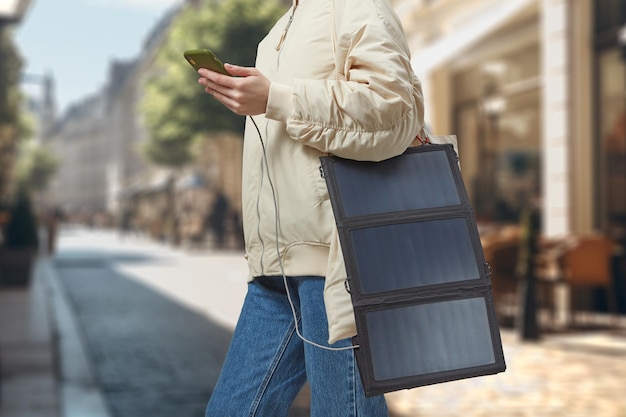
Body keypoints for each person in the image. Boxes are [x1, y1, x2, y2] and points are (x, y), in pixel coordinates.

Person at [197, 0, 425, 415]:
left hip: (336, 265)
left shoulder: (358, 7)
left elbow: (394, 113)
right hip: (274, 268)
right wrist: (259, 98)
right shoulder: (276, 33)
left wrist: (278, 99)